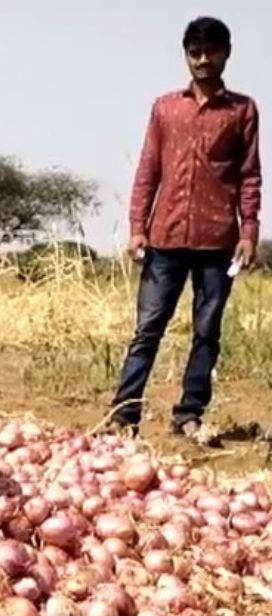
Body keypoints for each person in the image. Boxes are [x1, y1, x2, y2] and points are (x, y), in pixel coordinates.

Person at [107, 17, 261, 443]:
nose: (203, 59)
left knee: (206, 332)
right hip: (165, 239)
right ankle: (124, 415)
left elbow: (249, 175)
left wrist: (249, 231)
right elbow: (148, 170)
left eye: (211, 51)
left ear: (226, 53)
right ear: (186, 55)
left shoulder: (242, 110)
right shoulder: (165, 107)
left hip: (217, 241)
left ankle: (188, 414)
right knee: (148, 328)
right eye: (195, 52)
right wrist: (138, 226)